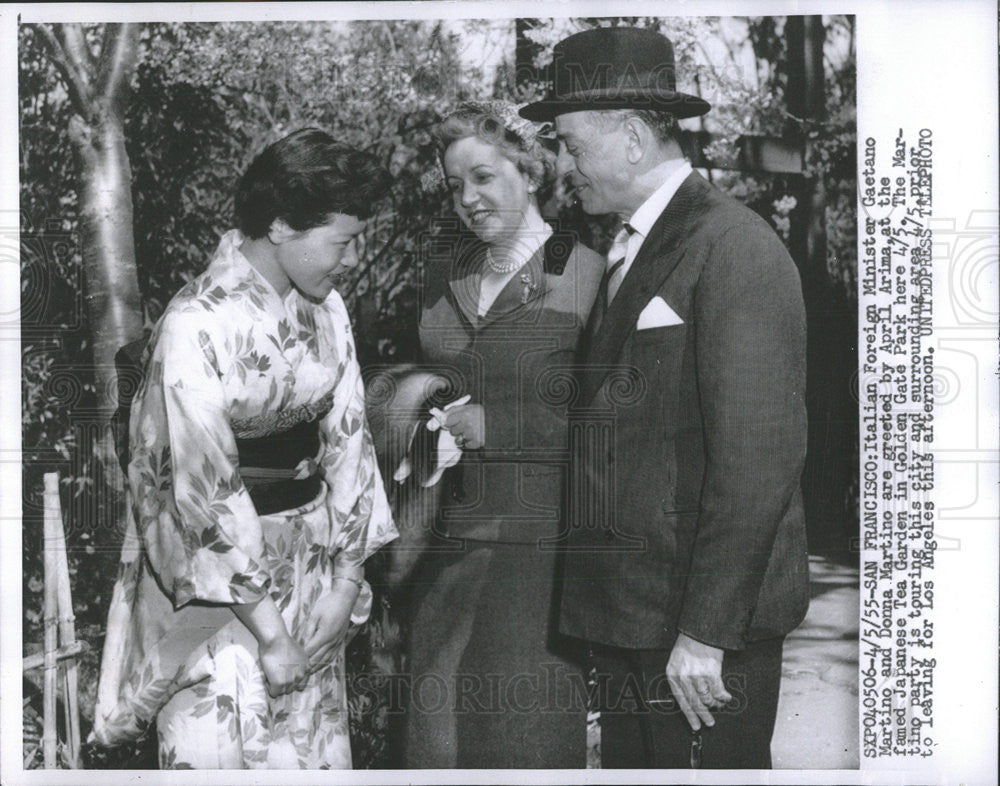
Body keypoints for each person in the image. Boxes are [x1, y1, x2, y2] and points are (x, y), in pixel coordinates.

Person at [520, 27, 810, 769]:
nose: (562, 165)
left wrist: (706, 633)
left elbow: (758, 461)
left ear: (631, 138)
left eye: (571, 144)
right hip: (635, 623)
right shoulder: (633, 246)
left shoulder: (734, 248)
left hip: (694, 640)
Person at [91, 128, 398, 769]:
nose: (351, 257)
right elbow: (199, 488)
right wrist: (272, 632)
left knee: (307, 751)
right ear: (282, 224)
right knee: (221, 743)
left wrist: (347, 582)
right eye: (342, 240)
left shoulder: (328, 308)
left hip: (313, 566)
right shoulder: (196, 322)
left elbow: (349, 442)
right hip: (219, 588)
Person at [400, 100, 603, 768]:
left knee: (524, 739)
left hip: (536, 557)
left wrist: (500, 424)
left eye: (483, 177)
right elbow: (409, 381)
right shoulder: (443, 278)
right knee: (438, 743)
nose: (468, 199)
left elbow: (615, 416)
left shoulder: (586, 276)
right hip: (441, 547)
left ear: (531, 171)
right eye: (455, 186)